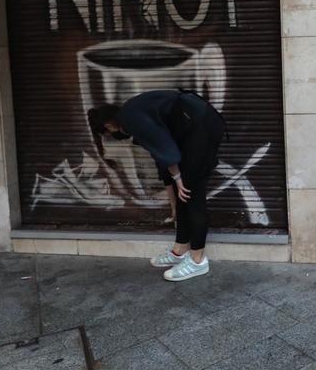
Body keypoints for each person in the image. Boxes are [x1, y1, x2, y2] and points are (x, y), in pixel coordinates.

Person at [88, 89, 226, 282]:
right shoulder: (134, 114)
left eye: (107, 132)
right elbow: (162, 160)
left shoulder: (133, 119)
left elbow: (168, 154)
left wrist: (178, 179)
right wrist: (173, 203)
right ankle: (179, 251)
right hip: (193, 130)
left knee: (192, 193)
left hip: (201, 128)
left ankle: (198, 260)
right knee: (182, 195)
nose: (111, 136)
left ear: (109, 124)